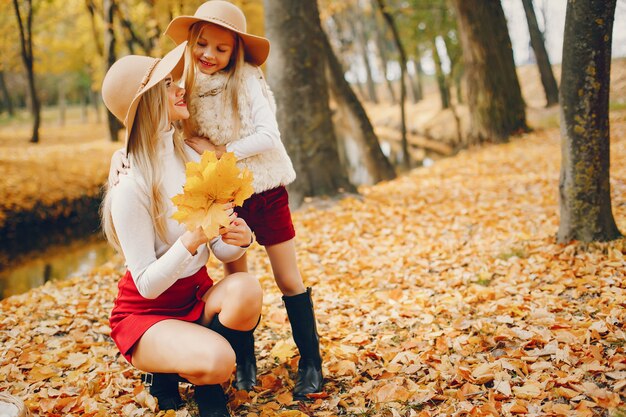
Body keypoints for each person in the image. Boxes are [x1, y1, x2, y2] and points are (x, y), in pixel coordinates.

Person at [162, 0, 324, 400]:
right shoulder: (185, 82)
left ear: (235, 50)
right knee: (237, 281)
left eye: (221, 48)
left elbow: (269, 135)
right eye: (203, 44)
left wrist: (221, 150)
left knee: (288, 279)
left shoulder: (248, 78)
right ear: (192, 42)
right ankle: (243, 362)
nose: (209, 55)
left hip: (266, 191)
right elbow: (162, 120)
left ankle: (311, 362)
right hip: (226, 196)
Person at [100, 42, 262, 417]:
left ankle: (203, 380)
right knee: (221, 359)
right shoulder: (131, 183)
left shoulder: (193, 157)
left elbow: (220, 249)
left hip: (193, 297)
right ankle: (169, 372)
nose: (180, 89)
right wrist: (191, 241)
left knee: (247, 290)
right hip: (146, 314)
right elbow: (146, 283)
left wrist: (239, 240)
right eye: (168, 84)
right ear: (147, 103)